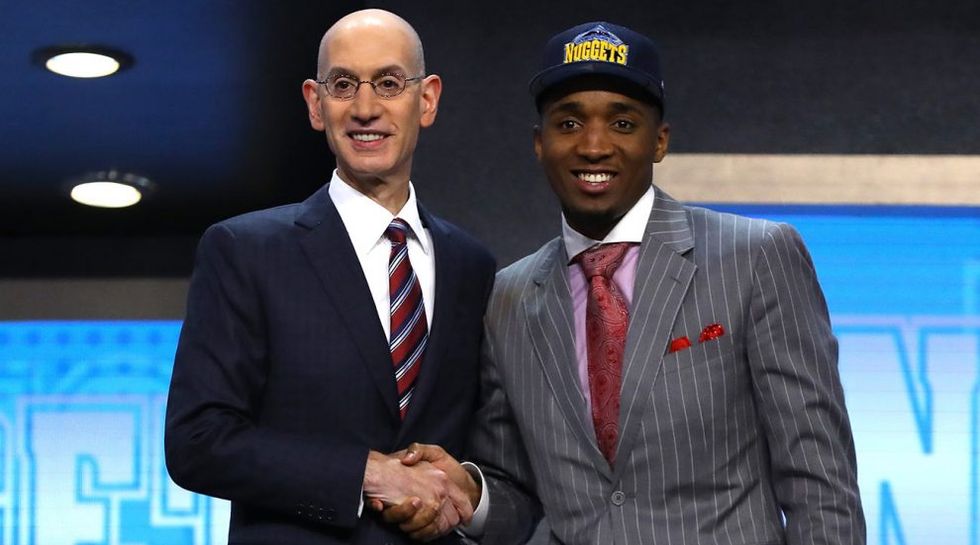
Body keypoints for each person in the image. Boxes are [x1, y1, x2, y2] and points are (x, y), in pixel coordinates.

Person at [385, 21, 866, 545]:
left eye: (622, 123)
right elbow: (518, 494)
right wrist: (471, 497)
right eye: (569, 123)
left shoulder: (754, 257)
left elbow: (821, 488)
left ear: (659, 141)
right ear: (540, 143)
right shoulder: (508, 299)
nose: (594, 146)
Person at [164, 9, 495, 545]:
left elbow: (488, 447)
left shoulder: (472, 265)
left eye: (389, 83)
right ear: (315, 104)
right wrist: (365, 473)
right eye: (343, 85)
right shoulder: (245, 251)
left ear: (427, 99)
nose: (365, 108)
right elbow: (197, 441)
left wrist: (466, 492)